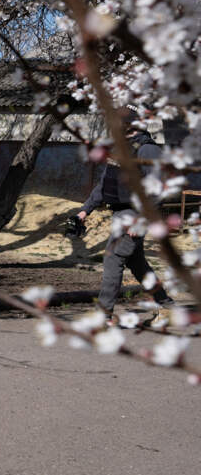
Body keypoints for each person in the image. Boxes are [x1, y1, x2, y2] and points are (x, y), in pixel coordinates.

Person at [73, 110, 176, 325]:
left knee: (113, 258)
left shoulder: (148, 149)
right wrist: (85, 210)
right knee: (137, 263)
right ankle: (166, 306)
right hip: (120, 214)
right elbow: (105, 185)